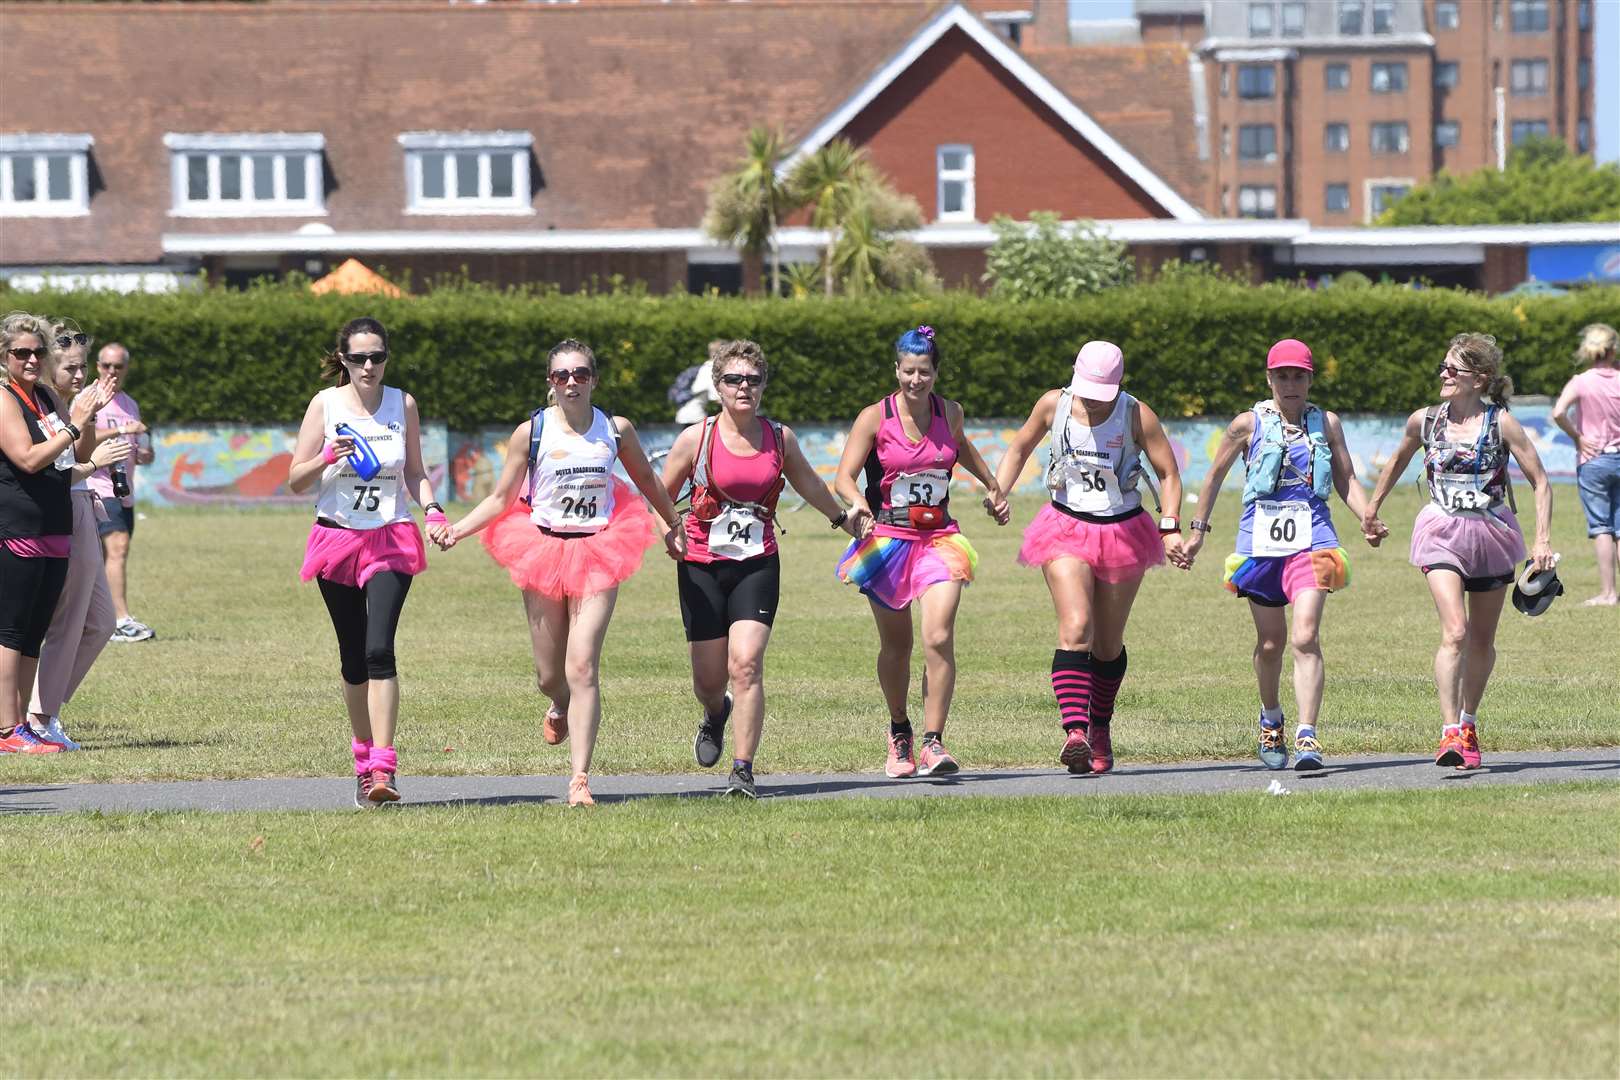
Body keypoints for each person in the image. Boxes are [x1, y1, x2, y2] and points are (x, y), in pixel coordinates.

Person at [434, 339, 684, 807]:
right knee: (551, 674)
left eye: (581, 374)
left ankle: (580, 779)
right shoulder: (530, 432)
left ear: (594, 379)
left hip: (600, 548)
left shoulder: (615, 429)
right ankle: (558, 703)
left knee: (583, 662)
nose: (572, 382)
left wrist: (673, 524)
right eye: (562, 375)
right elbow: (500, 498)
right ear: (550, 382)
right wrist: (457, 530)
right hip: (543, 547)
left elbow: (647, 482)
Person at [661, 339, 867, 798]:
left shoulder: (779, 438)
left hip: (757, 564)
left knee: (747, 663)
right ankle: (716, 714)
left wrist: (841, 519)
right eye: (734, 379)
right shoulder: (697, 438)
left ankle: (743, 770)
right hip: (700, 565)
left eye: (753, 380)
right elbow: (659, 493)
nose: (744, 388)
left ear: (763, 387)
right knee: (708, 681)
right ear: (717, 386)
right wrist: (667, 527)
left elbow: (809, 483)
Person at [1182, 339, 1385, 772]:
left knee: (1305, 636)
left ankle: (1308, 735)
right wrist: (1197, 532)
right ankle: (1270, 719)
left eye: (1299, 375)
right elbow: (1214, 476)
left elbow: (1346, 477)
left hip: (1314, 538)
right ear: (1269, 378)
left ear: (1310, 379)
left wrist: (1367, 516)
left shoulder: (1326, 423)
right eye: (1282, 375)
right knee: (1271, 642)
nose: (1290, 383)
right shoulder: (1246, 424)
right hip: (1262, 544)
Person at [991, 341, 1187, 775]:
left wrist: (1170, 523)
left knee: (1107, 643)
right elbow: (1020, 447)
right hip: (1063, 526)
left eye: (1104, 393)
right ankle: (1075, 732)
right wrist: (998, 489)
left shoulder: (1136, 413)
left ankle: (1100, 725)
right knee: (1076, 626)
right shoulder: (1053, 405)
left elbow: (1168, 472)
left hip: (1122, 529)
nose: (1095, 402)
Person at [1363, 333, 1556, 771]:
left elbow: (1541, 481)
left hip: (1491, 534)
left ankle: (1469, 722)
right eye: (1444, 367)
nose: (1444, 374)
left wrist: (1542, 539)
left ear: (1480, 379)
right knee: (1455, 631)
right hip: (1441, 532)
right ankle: (1449, 730)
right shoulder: (1425, 421)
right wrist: (1371, 510)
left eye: (1455, 369)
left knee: (1483, 641)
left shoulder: (1501, 423)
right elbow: (1395, 463)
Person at [832, 327, 1007, 779]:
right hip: (887, 541)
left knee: (937, 636)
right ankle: (899, 733)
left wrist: (991, 484)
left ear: (936, 372)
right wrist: (860, 505)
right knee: (897, 646)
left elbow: (960, 445)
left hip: (940, 539)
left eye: (924, 372)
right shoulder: (874, 417)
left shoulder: (950, 412)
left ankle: (934, 741)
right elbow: (844, 477)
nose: (916, 380)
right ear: (897, 370)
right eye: (908, 371)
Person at [287, 317, 437, 806]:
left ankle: (384, 768)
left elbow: (415, 472)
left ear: (387, 357)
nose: (368, 366)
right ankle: (361, 760)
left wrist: (432, 508)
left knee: (379, 650)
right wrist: (328, 456)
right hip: (336, 538)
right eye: (358, 358)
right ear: (344, 361)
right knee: (353, 656)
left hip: (390, 536)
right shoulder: (325, 404)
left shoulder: (403, 403)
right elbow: (295, 479)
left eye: (377, 357)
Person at [1, 312, 109, 755]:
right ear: (5, 356)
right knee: (10, 631)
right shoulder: (5, 398)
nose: (30, 359)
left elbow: (75, 453)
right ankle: (6, 729)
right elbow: (27, 458)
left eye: (37, 352)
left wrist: (88, 417)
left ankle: (24, 725)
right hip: (19, 524)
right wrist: (71, 423)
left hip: (55, 523)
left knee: (33, 631)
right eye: (20, 352)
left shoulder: (45, 394)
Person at [26, 320, 134, 750]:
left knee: (102, 622)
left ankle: (44, 708)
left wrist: (88, 415)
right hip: (65, 509)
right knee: (69, 619)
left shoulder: (66, 402)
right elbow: (57, 468)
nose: (79, 375)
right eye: (69, 366)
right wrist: (87, 443)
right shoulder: (41, 403)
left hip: (82, 506)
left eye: (82, 367)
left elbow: (84, 452)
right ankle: (39, 716)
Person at [88, 343, 157, 643]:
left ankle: (93, 619)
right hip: (97, 486)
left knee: (104, 555)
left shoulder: (130, 403)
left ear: (127, 369)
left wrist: (145, 453)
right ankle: (120, 620)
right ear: (97, 366)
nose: (111, 372)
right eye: (106, 366)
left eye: (118, 366)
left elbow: (140, 446)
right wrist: (120, 431)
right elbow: (82, 439)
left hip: (123, 491)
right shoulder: (88, 400)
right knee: (118, 547)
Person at [1552, 323, 1620, 606]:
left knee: (1601, 527)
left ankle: (1608, 593)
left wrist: (1578, 438)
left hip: (1593, 460)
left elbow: (1558, 412)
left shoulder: (1581, 381)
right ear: (1614, 348)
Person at [671, 341, 721, 425]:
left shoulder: (704, 368)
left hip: (684, 414)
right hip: (695, 416)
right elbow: (716, 398)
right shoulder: (710, 370)